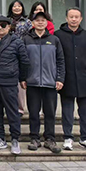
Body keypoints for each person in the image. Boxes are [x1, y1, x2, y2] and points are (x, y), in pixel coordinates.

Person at [55, 7, 86, 152]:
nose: (74, 19)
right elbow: (56, 57)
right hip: (66, 79)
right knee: (67, 112)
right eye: (71, 17)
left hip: (85, 78)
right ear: (66, 18)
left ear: (81, 19)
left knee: (85, 112)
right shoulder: (58, 35)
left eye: (76, 17)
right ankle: (68, 138)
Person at [22, 11, 65, 154]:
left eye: (43, 20)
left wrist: (60, 79)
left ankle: (50, 139)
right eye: (37, 20)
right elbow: (22, 60)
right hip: (32, 82)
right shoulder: (26, 39)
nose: (40, 22)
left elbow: (60, 61)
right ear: (32, 23)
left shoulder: (54, 40)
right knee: (33, 113)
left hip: (50, 83)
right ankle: (34, 138)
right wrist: (23, 78)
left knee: (50, 113)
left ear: (47, 23)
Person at [0, 16, 30, 156]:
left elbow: (24, 61)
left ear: (9, 27)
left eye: (3, 25)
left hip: (9, 82)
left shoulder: (16, 41)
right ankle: (0, 138)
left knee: (12, 112)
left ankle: (15, 139)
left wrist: (22, 78)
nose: (0, 28)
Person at [8, 0, 32, 115]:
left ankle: (20, 108)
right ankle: (10, 106)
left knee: (21, 80)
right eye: (14, 6)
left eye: (19, 6)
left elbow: (31, 36)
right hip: (8, 52)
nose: (16, 8)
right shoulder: (7, 20)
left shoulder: (27, 22)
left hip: (23, 52)